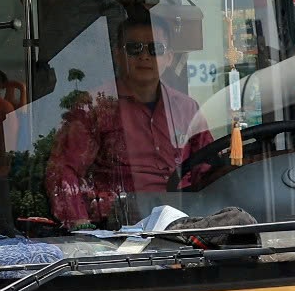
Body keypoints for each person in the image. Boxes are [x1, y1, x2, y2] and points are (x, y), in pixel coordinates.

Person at [45, 14, 212, 225]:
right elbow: (63, 170)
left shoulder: (187, 108)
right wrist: (80, 225)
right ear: (117, 55)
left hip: (184, 224)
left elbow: (208, 170)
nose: (144, 56)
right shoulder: (95, 106)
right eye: (134, 48)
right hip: (119, 227)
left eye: (155, 49)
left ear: (169, 58)